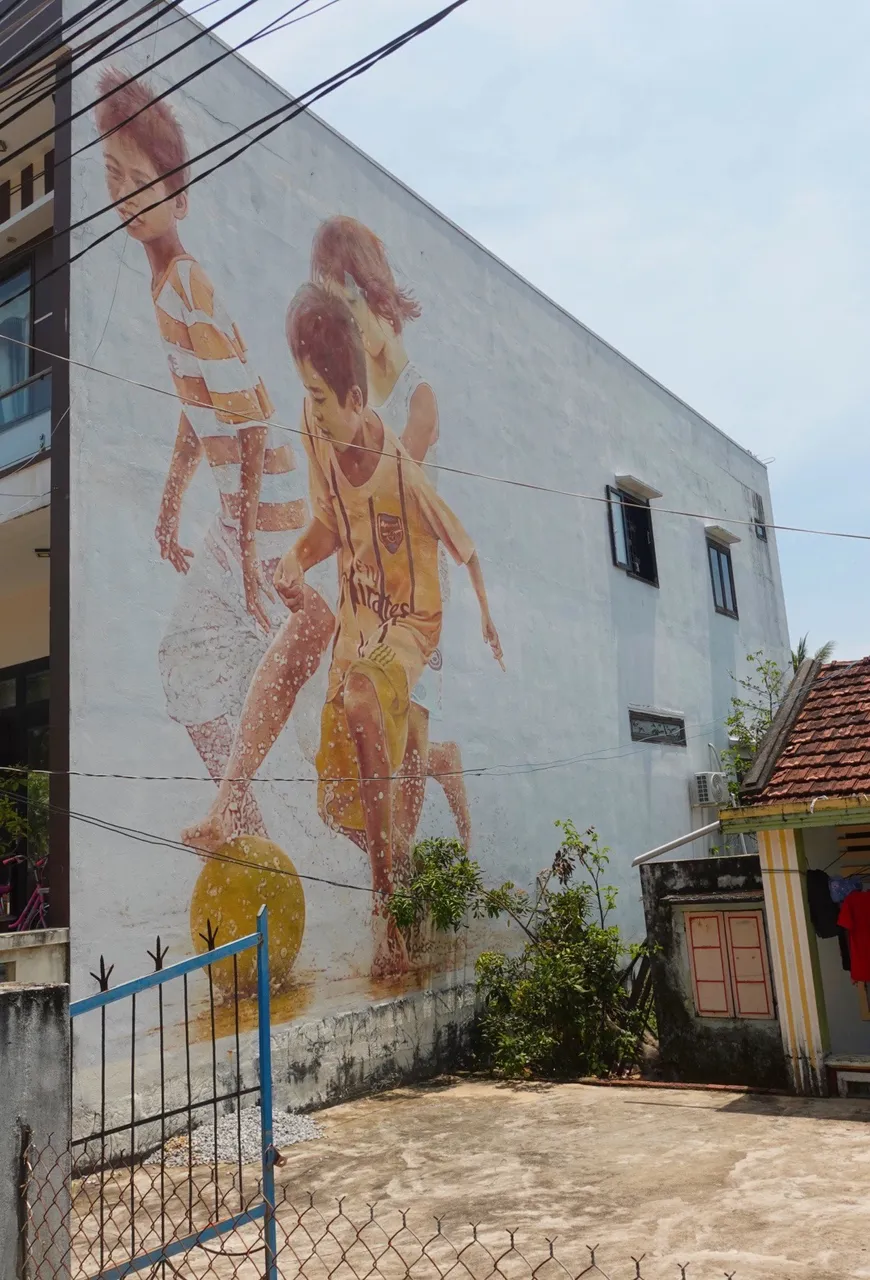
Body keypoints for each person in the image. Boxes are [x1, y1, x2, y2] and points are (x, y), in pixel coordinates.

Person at [95, 70, 334, 832]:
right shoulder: (166, 287)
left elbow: (254, 423)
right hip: (242, 510)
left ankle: (239, 813)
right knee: (190, 659)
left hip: (265, 508)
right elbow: (199, 414)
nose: (127, 195)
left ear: (181, 197)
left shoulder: (187, 283)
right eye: (113, 176)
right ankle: (245, 824)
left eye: (144, 182)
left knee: (224, 649)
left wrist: (244, 551)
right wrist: (169, 512)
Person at [279, 284, 503, 977]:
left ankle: (388, 923)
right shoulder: (317, 429)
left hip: (410, 618)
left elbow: (459, 538)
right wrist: (291, 560)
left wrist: (488, 615)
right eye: (306, 395)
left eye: (321, 399)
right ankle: (406, 845)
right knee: (333, 802)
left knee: (362, 701)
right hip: (358, 619)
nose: (311, 411)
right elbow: (329, 525)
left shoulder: (400, 471)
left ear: (355, 399)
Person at [309, 216, 471, 867]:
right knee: (353, 748)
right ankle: (412, 827)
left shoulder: (417, 398)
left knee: (397, 730)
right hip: (365, 589)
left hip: (411, 591)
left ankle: (395, 893)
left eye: (351, 304)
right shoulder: (352, 394)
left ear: (378, 299)